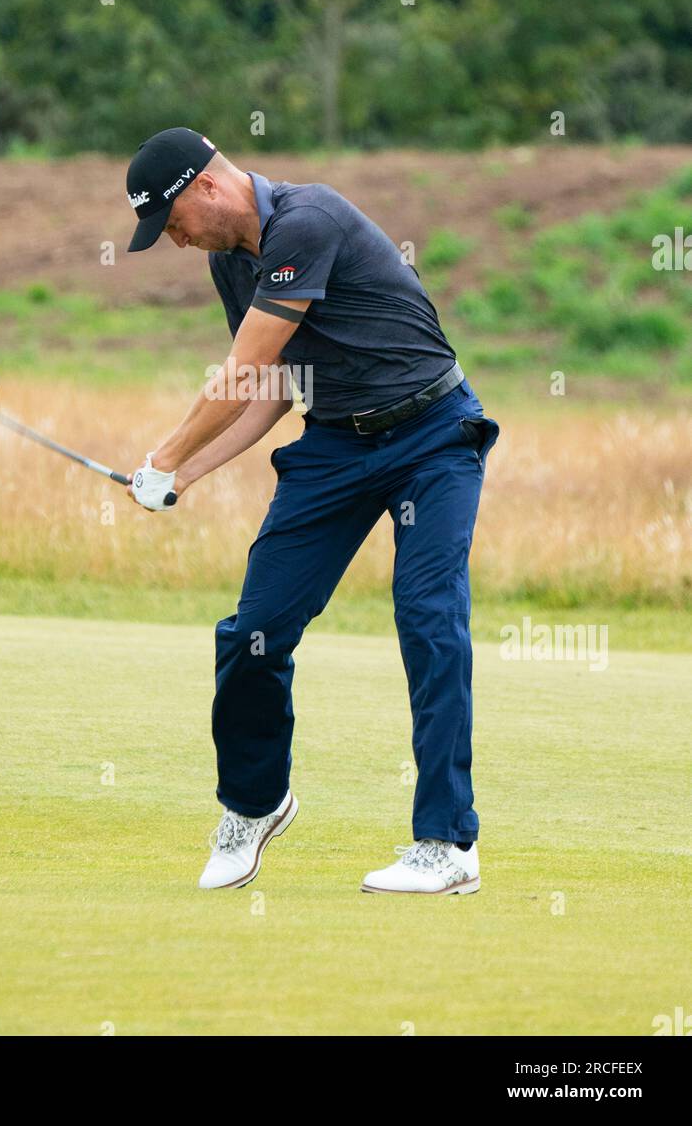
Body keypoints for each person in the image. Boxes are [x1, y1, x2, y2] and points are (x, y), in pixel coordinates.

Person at [124, 127, 500, 894]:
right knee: (254, 628)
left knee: (428, 617)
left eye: (171, 224)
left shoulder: (308, 220)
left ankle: (448, 845)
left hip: (432, 436)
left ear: (207, 187)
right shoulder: (232, 260)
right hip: (334, 447)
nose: (174, 242)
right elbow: (271, 389)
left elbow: (242, 369)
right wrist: (184, 476)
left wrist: (160, 456)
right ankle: (255, 805)